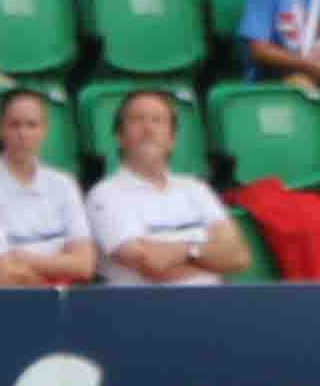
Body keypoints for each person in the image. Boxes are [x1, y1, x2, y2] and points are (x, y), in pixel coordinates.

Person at [86, 87, 242, 291]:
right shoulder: (104, 195)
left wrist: (186, 252)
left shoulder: (196, 189)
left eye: (158, 120)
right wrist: (212, 261)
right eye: (137, 120)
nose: (148, 128)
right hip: (144, 310)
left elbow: (238, 256)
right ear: (119, 136)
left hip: (213, 306)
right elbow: (151, 265)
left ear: (172, 139)